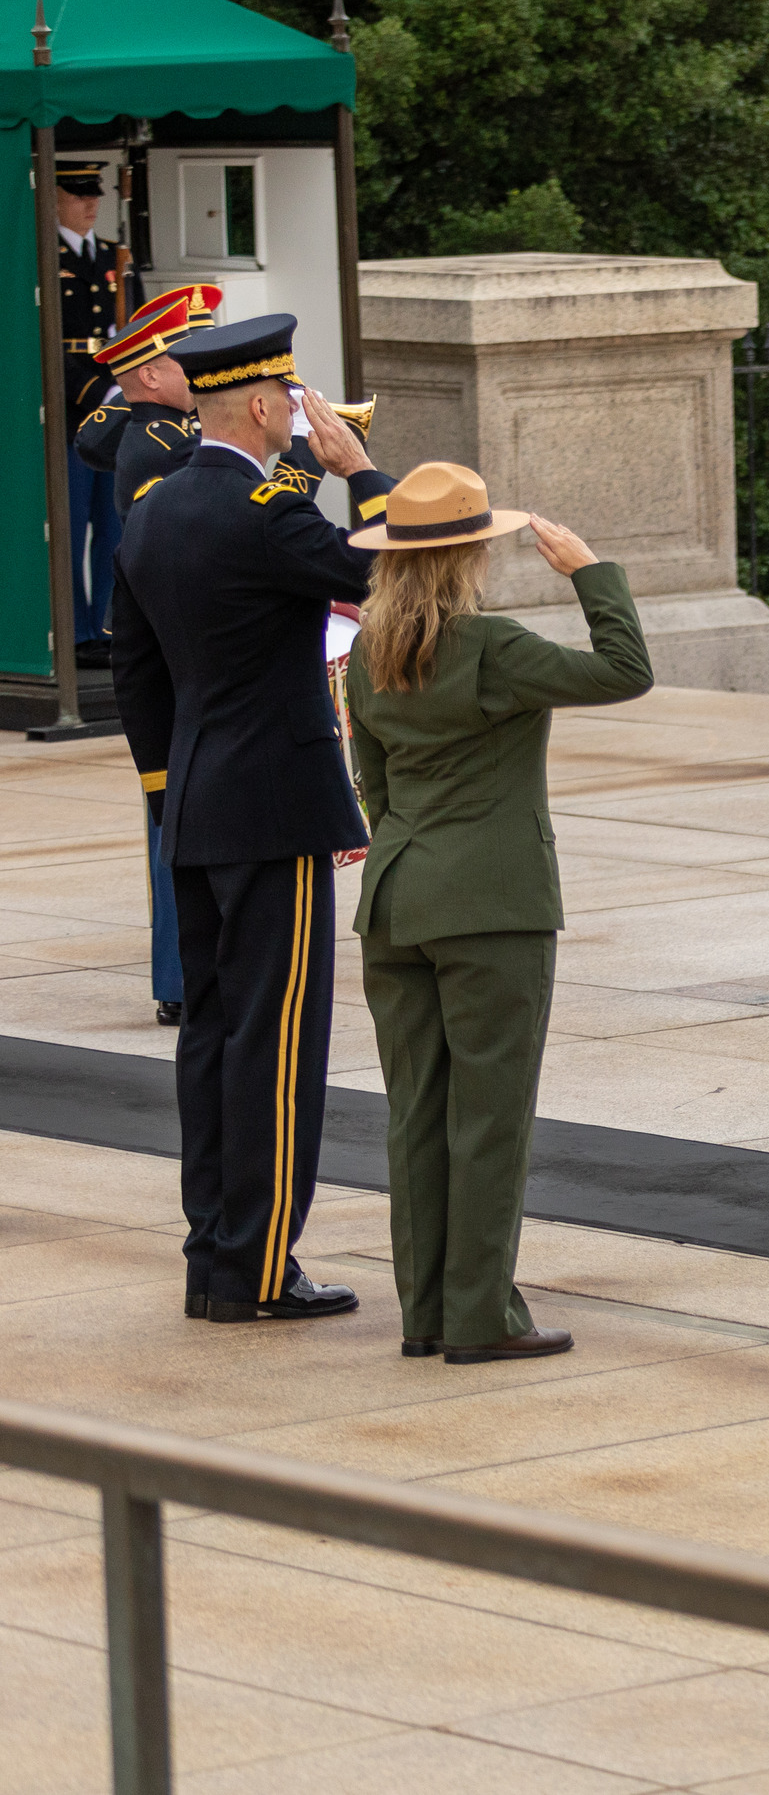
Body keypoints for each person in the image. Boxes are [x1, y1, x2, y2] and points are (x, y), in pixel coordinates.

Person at [112, 315, 394, 1324]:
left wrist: (165, 789)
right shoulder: (266, 510)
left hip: (191, 804)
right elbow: (390, 566)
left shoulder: (154, 508)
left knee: (215, 1039)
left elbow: (135, 671)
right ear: (267, 404)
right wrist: (359, 471)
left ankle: (213, 1253)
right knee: (276, 1046)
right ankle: (259, 1267)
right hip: (274, 805)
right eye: (291, 395)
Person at [347, 463, 651, 1364]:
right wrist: (591, 571)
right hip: (490, 903)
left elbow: (373, 783)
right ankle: (480, 1316)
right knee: (489, 1117)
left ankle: (425, 1313)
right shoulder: (492, 647)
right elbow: (624, 670)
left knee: (416, 1117)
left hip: (396, 903)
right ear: (470, 552)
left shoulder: (366, 648)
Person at [74, 287, 232, 1025]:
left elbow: (91, 436)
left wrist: (134, 378)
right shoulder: (167, 446)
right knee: (181, 804)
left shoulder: (152, 425)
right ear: (148, 375)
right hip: (175, 641)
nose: (200, 369)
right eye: (184, 358)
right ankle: (182, 976)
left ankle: (186, 970)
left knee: (182, 806)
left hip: (166, 638)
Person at [58, 156, 141, 660]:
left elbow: (146, 334)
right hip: (72, 413)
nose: (91, 202)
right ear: (53, 199)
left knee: (114, 524)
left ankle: (109, 629)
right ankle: (74, 633)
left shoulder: (118, 257)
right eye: (77, 193)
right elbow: (46, 347)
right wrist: (101, 393)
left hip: (120, 415)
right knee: (68, 527)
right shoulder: (42, 262)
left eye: (95, 192)